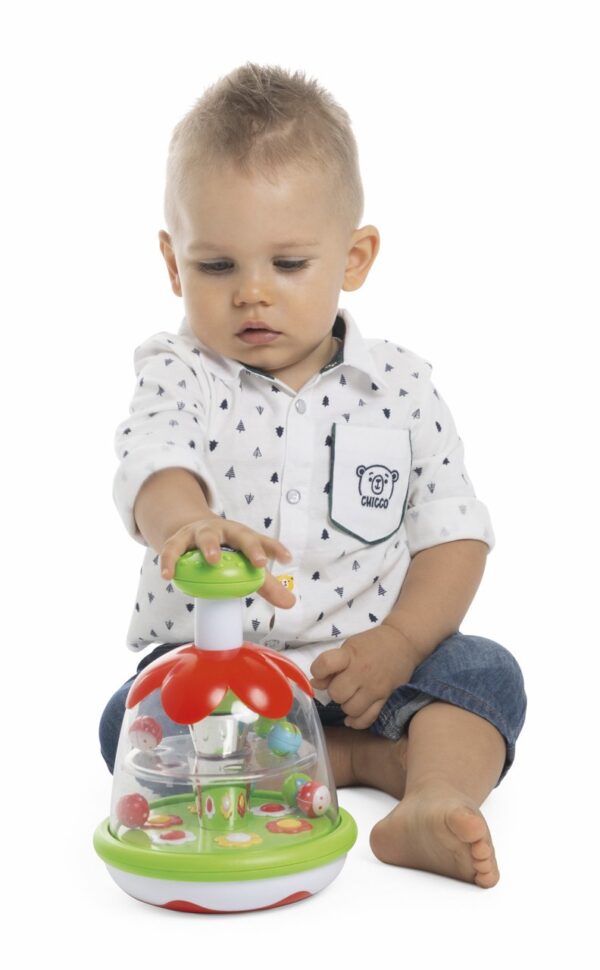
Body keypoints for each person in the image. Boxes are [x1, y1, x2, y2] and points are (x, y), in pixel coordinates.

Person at [100, 62, 526, 889]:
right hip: (222, 676)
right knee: (128, 720)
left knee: (485, 674)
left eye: (289, 263)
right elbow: (153, 460)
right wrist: (186, 521)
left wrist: (400, 644)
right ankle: (362, 761)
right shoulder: (180, 373)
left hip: (375, 671)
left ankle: (431, 797)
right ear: (173, 263)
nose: (252, 294)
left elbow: (453, 533)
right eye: (217, 267)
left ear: (354, 257)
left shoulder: (401, 387)